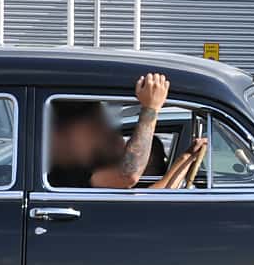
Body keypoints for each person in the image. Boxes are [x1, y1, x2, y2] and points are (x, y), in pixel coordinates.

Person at [48, 72, 177, 190]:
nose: (100, 132)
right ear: (67, 131)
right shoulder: (68, 172)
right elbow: (127, 175)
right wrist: (151, 108)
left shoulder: (85, 165)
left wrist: (186, 158)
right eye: (93, 125)